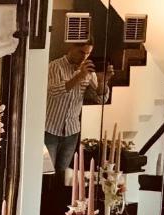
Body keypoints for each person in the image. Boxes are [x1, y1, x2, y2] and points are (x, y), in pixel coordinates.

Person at [45, 43, 114, 172]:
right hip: (50, 129)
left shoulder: (89, 72)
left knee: (62, 172)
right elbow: (54, 92)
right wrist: (79, 76)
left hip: (72, 131)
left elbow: (100, 99)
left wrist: (102, 81)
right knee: (46, 172)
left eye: (88, 53)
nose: (84, 56)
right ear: (71, 48)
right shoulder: (55, 66)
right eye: (81, 52)